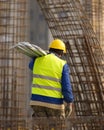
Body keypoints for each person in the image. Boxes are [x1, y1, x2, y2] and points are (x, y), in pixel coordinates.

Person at [29, 39, 74, 119]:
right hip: (54, 104)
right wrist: (69, 102)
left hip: (36, 102)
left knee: (40, 126)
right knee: (56, 126)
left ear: (50, 49)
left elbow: (30, 66)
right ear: (61, 53)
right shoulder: (62, 64)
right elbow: (66, 87)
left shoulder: (37, 59)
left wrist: (37, 56)